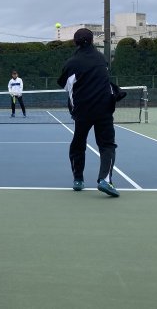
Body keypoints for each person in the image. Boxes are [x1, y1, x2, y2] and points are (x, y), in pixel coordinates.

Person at [58, 28, 121, 197]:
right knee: (107, 145)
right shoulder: (102, 59)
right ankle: (105, 180)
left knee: (78, 144)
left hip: (83, 111)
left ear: (75, 42)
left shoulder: (71, 63)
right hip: (104, 109)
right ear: (92, 41)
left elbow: (67, 87)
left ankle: (78, 180)